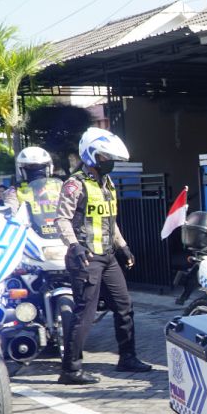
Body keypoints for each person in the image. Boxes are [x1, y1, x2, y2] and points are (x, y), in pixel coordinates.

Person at [55, 127, 152, 385]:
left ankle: (127, 357)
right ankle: (70, 370)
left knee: (124, 306)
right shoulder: (74, 184)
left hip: (107, 257)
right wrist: (74, 246)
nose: (110, 162)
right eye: (105, 157)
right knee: (84, 313)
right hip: (85, 258)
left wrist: (123, 247)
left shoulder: (107, 184)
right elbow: (62, 220)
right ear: (91, 156)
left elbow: (110, 220)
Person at [3, 145, 56, 215]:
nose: (36, 170)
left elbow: (70, 206)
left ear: (49, 168)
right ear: (22, 170)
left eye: (41, 166)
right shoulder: (14, 191)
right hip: (28, 225)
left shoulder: (60, 187)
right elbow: (11, 207)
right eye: (30, 166)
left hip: (60, 225)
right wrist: (11, 214)